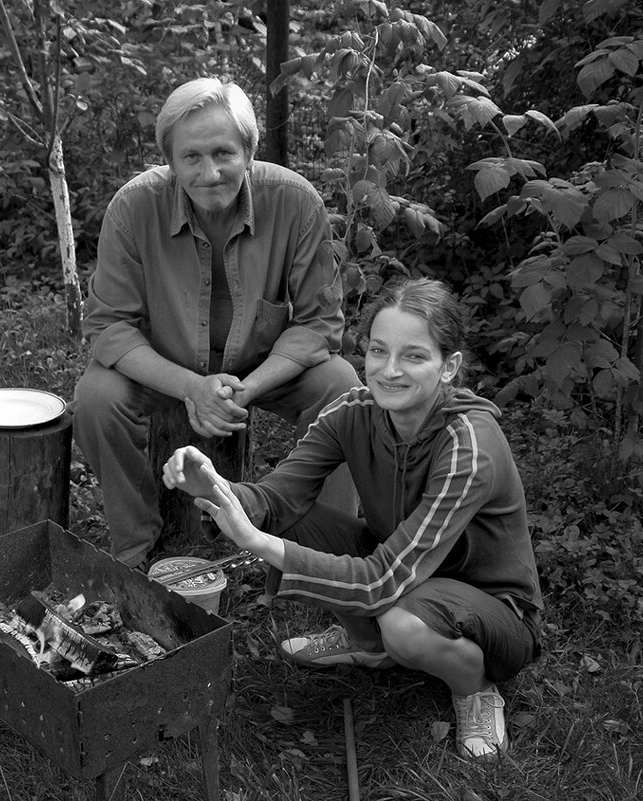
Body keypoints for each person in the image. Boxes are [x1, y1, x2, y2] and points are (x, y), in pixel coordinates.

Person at [162, 278, 543, 761]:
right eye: (379, 351)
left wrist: (257, 542)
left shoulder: (468, 445)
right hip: (405, 570)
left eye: (413, 356)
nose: (389, 370)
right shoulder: (354, 411)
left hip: (492, 611)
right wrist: (213, 486)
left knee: (402, 622)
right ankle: (369, 644)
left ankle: (475, 688)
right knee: (295, 521)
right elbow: (278, 498)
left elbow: (383, 578)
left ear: (450, 367)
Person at [73, 77, 360, 569]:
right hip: (165, 365)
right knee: (98, 399)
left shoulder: (296, 201)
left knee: (343, 390)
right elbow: (110, 327)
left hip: (261, 368)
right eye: (192, 157)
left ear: (249, 151)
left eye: (224, 153)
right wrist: (191, 386)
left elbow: (318, 324)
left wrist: (246, 389)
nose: (210, 173)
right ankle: (135, 547)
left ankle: (326, 556)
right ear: (170, 160)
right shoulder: (132, 207)